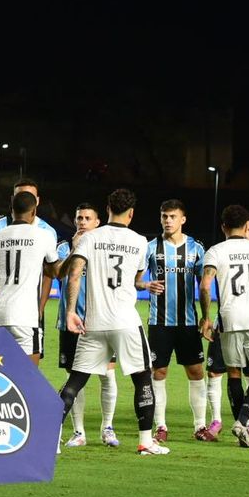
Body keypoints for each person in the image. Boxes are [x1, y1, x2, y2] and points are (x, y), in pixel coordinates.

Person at [59, 189, 168, 456]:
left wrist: (71, 311)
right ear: (131, 213)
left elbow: (74, 275)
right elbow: (134, 278)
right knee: (142, 378)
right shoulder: (141, 242)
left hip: (93, 322)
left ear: (107, 208)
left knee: (74, 382)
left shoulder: (90, 238)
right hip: (125, 321)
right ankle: (145, 441)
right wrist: (143, 284)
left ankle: (50, 440)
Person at [199, 205, 249, 448]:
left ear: (223, 226)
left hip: (229, 321)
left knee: (233, 373)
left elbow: (204, 286)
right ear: (246, 227)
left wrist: (206, 317)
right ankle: (242, 422)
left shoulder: (215, 252)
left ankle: (239, 423)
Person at [143, 199, 207, 442]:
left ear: (183, 219)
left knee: (196, 371)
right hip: (159, 322)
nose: (168, 221)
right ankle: (161, 426)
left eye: (172, 216)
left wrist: (206, 318)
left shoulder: (196, 248)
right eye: (164, 216)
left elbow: (205, 284)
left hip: (188, 323)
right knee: (158, 371)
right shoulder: (150, 248)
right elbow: (137, 279)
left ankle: (200, 426)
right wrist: (145, 284)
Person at [57, 203, 120, 447]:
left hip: (99, 321)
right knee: (76, 378)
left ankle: (108, 428)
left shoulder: (103, 248)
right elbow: (58, 275)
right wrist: (74, 251)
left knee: (107, 376)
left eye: (87, 218)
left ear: (98, 223)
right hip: (70, 324)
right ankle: (79, 432)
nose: (82, 222)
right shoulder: (64, 247)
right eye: (79, 217)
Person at [0, 178, 59, 358]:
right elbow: (53, 272)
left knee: (1, 371)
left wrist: (40, 307)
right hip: (25, 313)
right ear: (34, 209)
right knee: (29, 376)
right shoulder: (45, 235)